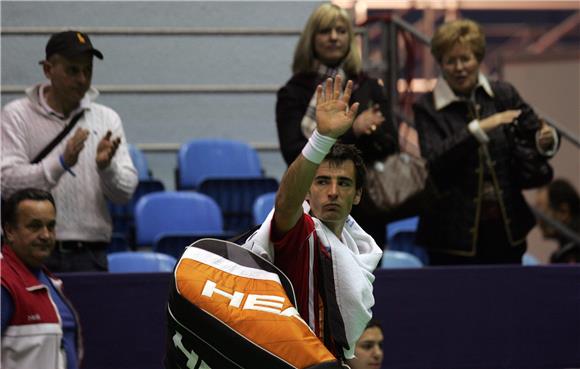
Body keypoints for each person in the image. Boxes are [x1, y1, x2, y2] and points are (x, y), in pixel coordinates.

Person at [245, 76, 382, 362]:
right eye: (322, 182)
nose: (333, 192)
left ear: (357, 195)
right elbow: (285, 203)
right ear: (308, 190)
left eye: (344, 183)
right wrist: (320, 139)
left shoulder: (360, 250)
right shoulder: (301, 232)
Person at [413, 19, 559, 265]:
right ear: (440, 64)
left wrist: (546, 139)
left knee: (508, 299)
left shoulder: (504, 93)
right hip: (449, 235)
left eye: (466, 59)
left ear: (478, 58)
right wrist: (481, 128)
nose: (459, 67)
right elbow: (435, 158)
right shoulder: (426, 107)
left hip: (507, 230)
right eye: (451, 61)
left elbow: (535, 131)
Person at [1, 30, 138, 271]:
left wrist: (107, 169)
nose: (82, 79)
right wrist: (61, 163)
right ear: (47, 69)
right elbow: (7, 182)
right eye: (72, 70)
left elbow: (125, 192)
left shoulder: (107, 118)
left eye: (88, 70)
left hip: (91, 253)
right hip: (31, 254)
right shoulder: (17, 116)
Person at [276, 3, 399, 247]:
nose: (334, 37)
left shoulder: (368, 86)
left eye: (341, 31)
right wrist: (353, 131)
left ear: (350, 38)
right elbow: (293, 152)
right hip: (311, 208)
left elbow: (390, 144)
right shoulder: (293, 91)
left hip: (367, 209)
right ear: (312, 38)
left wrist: (358, 133)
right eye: (325, 31)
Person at [1, 188, 82, 369]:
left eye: (51, 226)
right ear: (9, 231)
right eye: (35, 226)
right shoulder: (4, 283)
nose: (45, 235)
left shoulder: (49, 282)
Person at [535, 179, 580, 263]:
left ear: (563, 211)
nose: (538, 221)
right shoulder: (562, 255)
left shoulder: (573, 256)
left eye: (542, 212)